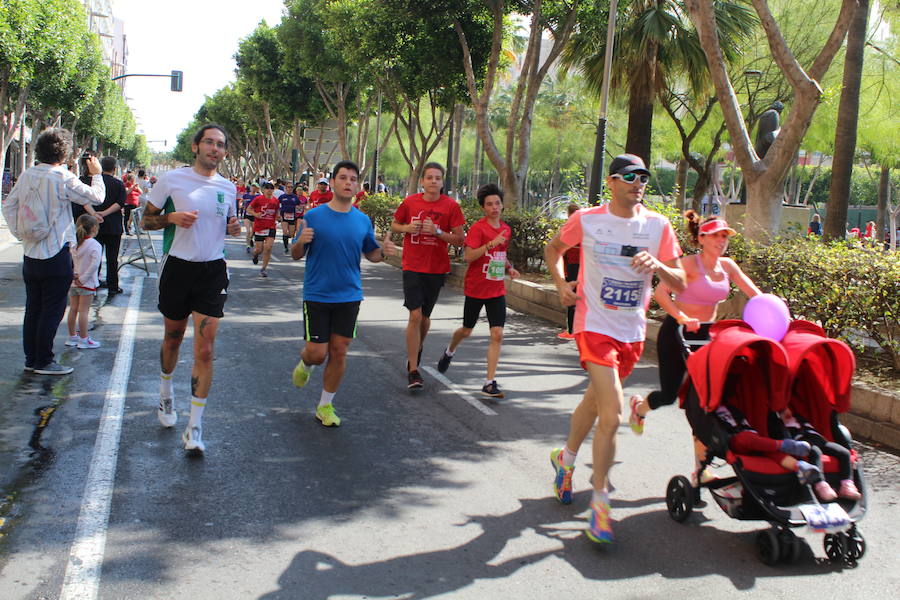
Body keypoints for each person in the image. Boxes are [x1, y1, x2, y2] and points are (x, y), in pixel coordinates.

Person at [544, 154, 686, 544]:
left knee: (594, 403)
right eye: (630, 176)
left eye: (643, 176)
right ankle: (601, 500)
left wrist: (658, 264)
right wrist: (561, 285)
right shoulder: (588, 220)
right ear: (611, 182)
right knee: (612, 414)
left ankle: (565, 459)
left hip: (633, 333)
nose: (638, 182)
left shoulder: (657, 226)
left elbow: (682, 282)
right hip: (594, 326)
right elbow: (552, 249)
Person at [628, 212, 761, 481]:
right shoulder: (687, 264)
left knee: (706, 401)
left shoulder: (728, 266)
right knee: (669, 394)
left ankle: (701, 468)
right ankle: (640, 408)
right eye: (715, 236)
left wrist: (776, 313)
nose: (721, 241)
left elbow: (755, 294)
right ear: (701, 238)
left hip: (707, 336)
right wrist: (681, 316)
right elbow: (661, 293)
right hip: (677, 332)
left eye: (725, 236)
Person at [140, 123, 242, 453]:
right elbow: (146, 219)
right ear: (196, 146)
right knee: (173, 337)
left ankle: (194, 428)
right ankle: (166, 393)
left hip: (213, 270)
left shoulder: (229, 187)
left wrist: (236, 226)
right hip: (178, 267)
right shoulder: (173, 180)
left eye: (221, 145)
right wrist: (172, 219)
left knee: (206, 349)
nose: (215, 148)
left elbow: (231, 225)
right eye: (209, 142)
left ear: (225, 152)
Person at [290, 160, 396, 426]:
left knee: (339, 350)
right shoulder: (313, 216)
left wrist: (384, 252)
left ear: (357, 185)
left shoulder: (362, 220)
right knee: (317, 353)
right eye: (343, 178)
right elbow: (295, 254)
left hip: (349, 295)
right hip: (317, 294)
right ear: (334, 182)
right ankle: (305, 363)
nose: (348, 182)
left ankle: (325, 406)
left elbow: (371, 253)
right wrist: (300, 241)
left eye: (352, 179)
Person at [1, 127, 105, 375]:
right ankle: (44, 360)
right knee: (53, 309)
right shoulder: (62, 176)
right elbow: (96, 197)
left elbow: (9, 205)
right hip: (56, 252)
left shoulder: (27, 175)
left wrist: (21, 234)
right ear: (65, 152)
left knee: (34, 308)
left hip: (30, 253)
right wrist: (97, 174)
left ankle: (32, 359)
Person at [436, 183, 519, 398]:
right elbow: (468, 256)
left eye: (497, 203)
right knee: (466, 330)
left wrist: (509, 268)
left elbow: (501, 255)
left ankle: (489, 382)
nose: (494, 207)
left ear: (502, 205)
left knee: (497, 334)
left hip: (496, 290)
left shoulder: (506, 229)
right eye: (490, 204)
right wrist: (490, 244)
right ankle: (449, 351)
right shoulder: (478, 229)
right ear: (483, 207)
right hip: (476, 288)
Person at [390, 162, 466, 389]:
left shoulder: (451, 207)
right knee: (415, 316)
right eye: (429, 177)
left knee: (424, 318)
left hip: (436, 268)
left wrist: (438, 232)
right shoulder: (410, 202)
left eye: (438, 178)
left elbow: (460, 238)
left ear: (442, 182)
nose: (433, 181)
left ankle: (417, 347)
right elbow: (395, 225)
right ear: (422, 181)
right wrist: (406, 229)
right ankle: (413, 370)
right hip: (412, 265)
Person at [715, 401, 829, 499]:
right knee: (746, 439)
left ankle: (800, 467)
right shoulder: (713, 410)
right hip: (733, 439)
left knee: (769, 449)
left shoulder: (734, 407)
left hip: (752, 437)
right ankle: (784, 445)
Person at [776, 407, 861, 501]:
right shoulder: (783, 425)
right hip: (805, 443)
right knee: (815, 452)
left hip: (821, 441)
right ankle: (820, 484)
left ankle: (846, 484)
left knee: (844, 453)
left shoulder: (803, 418)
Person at [82, 157, 126, 296]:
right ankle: (113, 286)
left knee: (95, 256)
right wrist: (105, 213)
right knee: (112, 258)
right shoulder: (118, 184)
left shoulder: (93, 182)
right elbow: (120, 203)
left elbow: (84, 200)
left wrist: (95, 214)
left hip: (94, 225)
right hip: (113, 226)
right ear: (114, 169)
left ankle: (94, 283)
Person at [65, 215, 102, 349]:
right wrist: (84, 278)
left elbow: (71, 262)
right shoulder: (94, 244)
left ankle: (72, 336)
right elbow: (94, 265)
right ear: (93, 228)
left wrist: (76, 276)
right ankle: (84, 339)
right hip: (87, 283)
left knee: (73, 309)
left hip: (74, 281)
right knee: (84, 311)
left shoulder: (74, 244)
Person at [558, 203, 581, 340]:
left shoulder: (570, 228)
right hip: (583, 268)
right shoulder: (585, 228)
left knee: (572, 298)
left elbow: (561, 250)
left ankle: (571, 331)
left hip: (572, 266)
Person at [248, 182, 281, 277]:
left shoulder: (275, 201)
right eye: (267, 188)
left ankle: (263, 268)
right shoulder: (258, 199)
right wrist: (255, 214)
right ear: (263, 190)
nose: (269, 190)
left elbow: (277, 210)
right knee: (259, 249)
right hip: (259, 227)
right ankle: (255, 255)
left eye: (271, 188)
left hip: (271, 226)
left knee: (268, 247)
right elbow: (249, 209)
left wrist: (278, 217)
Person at [278, 182, 303, 254]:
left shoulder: (295, 197)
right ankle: (286, 247)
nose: (290, 188)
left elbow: (299, 207)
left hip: (292, 216)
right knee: (285, 231)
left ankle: (286, 239)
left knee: (291, 234)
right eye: (288, 187)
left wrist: (299, 212)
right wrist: (279, 215)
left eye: (291, 187)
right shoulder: (282, 197)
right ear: (285, 188)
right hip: (284, 216)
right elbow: (277, 205)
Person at [242, 182, 260, 252]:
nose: (253, 188)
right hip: (247, 215)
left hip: (254, 215)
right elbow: (242, 201)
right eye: (252, 186)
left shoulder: (258, 196)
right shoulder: (246, 195)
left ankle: (250, 239)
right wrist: (241, 204)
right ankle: (248, 245)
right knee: (248, 231)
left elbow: (263, 199)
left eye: (254, 187)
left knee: (253, 231)